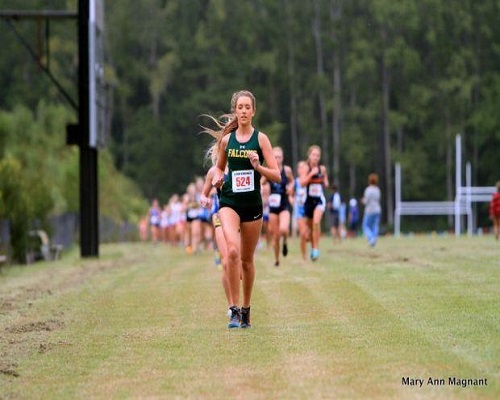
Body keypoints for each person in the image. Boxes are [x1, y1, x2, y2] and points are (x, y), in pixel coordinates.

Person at [203, 89, 280, 329]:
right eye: (240, 107)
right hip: (230, 203)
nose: (244, 111)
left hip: (253, 206)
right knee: (233, 252)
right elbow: (218, 169)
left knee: (247, 260)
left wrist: (258, 167)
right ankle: (234, 310)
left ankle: (246, 309)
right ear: (235, 111)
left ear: (253, 111)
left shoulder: (261, 139)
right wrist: (217, 180)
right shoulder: (227, 141)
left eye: (248, 107)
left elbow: (277, 175)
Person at [262, 146, 294, 267]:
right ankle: (277, 259)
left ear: (282, 158)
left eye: (279, 157)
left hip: (284, 205)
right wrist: (264, 190)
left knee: (284, 229)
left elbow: (292, 181)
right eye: (275, 157)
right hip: (273, 208)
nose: (277, 159)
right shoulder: (269, 170)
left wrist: (291, 187)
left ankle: (285, 241)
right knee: (275, 236)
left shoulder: (287, 170)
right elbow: (261, 183)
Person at [299, 145, 329, 261]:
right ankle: (313, 247)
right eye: (314, 155)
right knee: (310, 229)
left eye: (318, 155)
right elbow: (302, 183)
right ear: (309, 156)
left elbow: (326, 181)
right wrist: (311, 174)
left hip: (319, 201)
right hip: (308, 202)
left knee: (316, 222)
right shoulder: (305, 168)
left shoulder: (323, 169)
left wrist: (325, 182)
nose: (316, 157)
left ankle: (316, 249)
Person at [361, 173, 382, 247]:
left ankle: (371, 238)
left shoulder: (368, 190)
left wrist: (363, 200)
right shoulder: (377, 190)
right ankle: (374, 238)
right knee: (374, 226)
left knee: (365, 226)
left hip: (370, 210)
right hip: (377, 210)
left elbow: (366, 201)